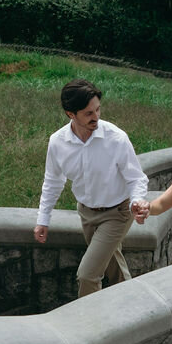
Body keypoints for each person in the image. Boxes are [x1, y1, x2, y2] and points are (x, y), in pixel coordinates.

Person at [34, 79, 149, 297]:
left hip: (118, 213)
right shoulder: (57, 142)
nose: (95, 116)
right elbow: (53, 181)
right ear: (71, 114)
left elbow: (136, 178)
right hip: (86, 214)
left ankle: (89, 325)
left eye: (97, 109)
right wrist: (43, 219)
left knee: (88, 275)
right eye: (88, 113)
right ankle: (131, 307)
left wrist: (137, 201)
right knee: (113, 267)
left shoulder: (116, 138)